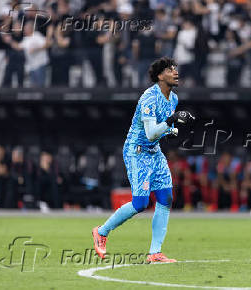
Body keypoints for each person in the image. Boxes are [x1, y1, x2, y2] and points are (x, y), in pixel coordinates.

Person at [92, 57, 195, 263]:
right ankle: (101, 232)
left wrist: (173, 129)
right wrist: (171, 121)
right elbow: (149, 133)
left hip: (154, 151)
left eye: (175, 69)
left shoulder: (173, 99)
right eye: (169, 70)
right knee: (140, 204)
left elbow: (159, 132)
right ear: (159, 76)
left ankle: (155, 253)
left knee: (165, 198)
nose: (175, 72)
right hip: (136, 151)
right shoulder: (149, 97)